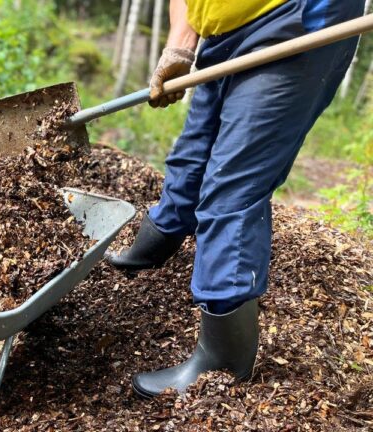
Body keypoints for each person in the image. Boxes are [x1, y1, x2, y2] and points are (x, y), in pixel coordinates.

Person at [106, 0, 365, 398]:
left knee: (231, 188)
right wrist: (180, 44)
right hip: (222, 30)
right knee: (192, 157)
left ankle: (223, 361)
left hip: (297, 20)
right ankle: (155, 245)